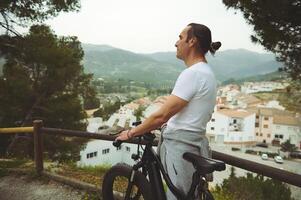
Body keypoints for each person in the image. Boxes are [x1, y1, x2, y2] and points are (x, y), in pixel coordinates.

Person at [116, 23, 221, 200]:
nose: (176, 43)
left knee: (176, 196)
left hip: (181, 146)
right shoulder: (207, 72)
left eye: (180, 38)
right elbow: (186, 112)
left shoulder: (192, 73)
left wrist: (131, 132)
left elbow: (161, 115)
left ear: (192, 41)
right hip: (194, 142)